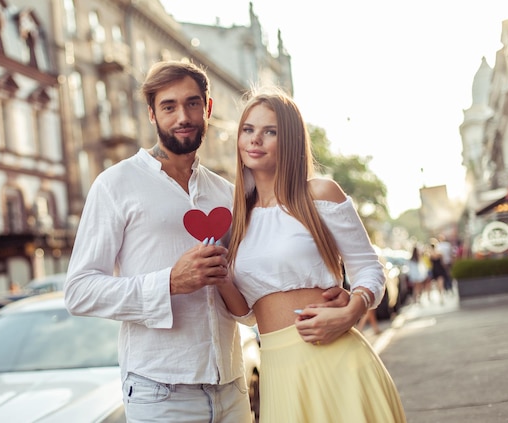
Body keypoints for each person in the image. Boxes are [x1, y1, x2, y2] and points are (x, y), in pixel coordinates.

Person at [64, 61, 349, 422]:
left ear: (208, 108)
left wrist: (329, 296)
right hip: (160, 391)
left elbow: (246, 309)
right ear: (152, 114)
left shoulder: (229, 195)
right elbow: (79, 291)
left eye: (192, 103)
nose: (182, 116)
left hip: (232, 387)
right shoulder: (115, 184)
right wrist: (169, 283)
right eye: (168, 106)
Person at [221, 87, 406, 422]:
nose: (255, 140)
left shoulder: (319, 194)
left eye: (270, 131)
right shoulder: (238, 221)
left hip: (335, 359)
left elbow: (369, 267)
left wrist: (354, 308)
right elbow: (247, 313)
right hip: (278, 372)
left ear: (289, 140)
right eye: (248, 130)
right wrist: (219, 279)